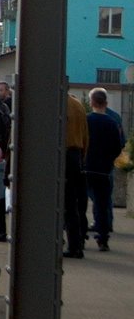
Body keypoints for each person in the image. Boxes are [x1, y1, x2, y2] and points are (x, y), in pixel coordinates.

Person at [85, 88, 123, 251]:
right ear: (105, 103)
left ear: (92, 102)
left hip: (87, 167)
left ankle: (80, 236)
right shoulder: (112, 123)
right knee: (102, 204)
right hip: (104, 170)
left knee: (81, 202)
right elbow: (118, 146)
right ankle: (103, 238)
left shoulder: (87, 120)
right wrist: (109, 160)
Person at [63, 91, 89, 258]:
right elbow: (86, 136)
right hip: (76, 155)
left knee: (58, 203)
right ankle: (76, 245)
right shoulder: (78, 105)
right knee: (72, 204)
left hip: (62, 154)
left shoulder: (57, 104)